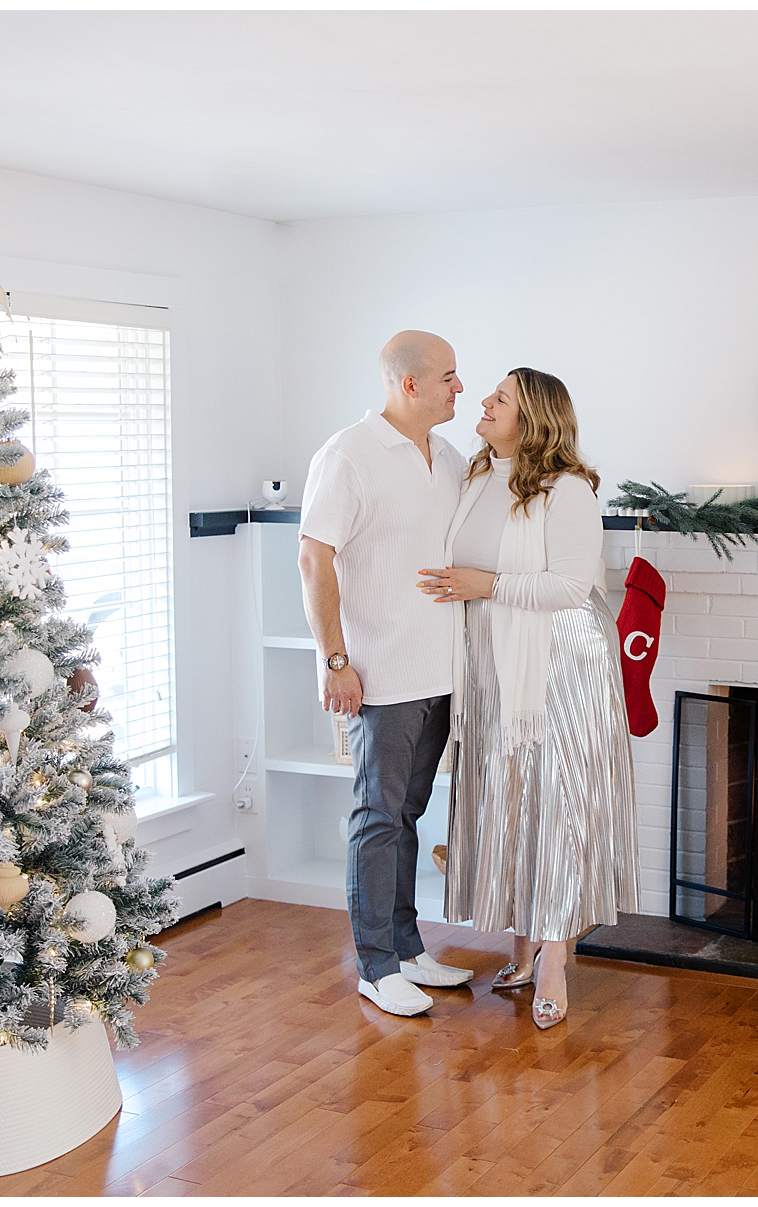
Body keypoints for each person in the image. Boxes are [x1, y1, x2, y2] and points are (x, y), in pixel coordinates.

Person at [418, 367, 639, 1030]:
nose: (482, 403)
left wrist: (483, 583)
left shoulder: (567, 490)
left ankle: (553, 959)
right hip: (494, 666)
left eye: (500, 397)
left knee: (557, 806)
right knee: (511, 799)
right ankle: (520, 943)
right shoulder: (479, 476)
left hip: (562, 666)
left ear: (534, 416)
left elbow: (572, 588)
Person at [298, 330, 477, 1017]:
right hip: (379, 676)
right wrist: (336, 659)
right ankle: (375, 965)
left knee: (406, 814)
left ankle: (406, 948)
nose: (460, 387)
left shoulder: (451, 458)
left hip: (440, 671)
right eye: (449, 377)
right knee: (377, 818)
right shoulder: (348, 455)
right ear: (410, 384)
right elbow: (315, 559)